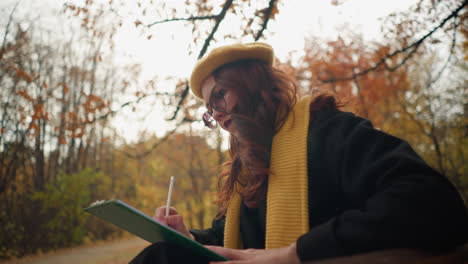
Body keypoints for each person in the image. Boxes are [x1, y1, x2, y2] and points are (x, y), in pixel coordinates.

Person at [129, 42, 468, 264]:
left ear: (254, 83)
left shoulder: (327, 130)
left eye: (220, 95)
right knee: (163, 253)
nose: (215, 113)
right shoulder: (245, 168)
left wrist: (294, 253)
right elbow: (232, 240)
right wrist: (188, 238)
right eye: (208, 110)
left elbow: (431, 202)